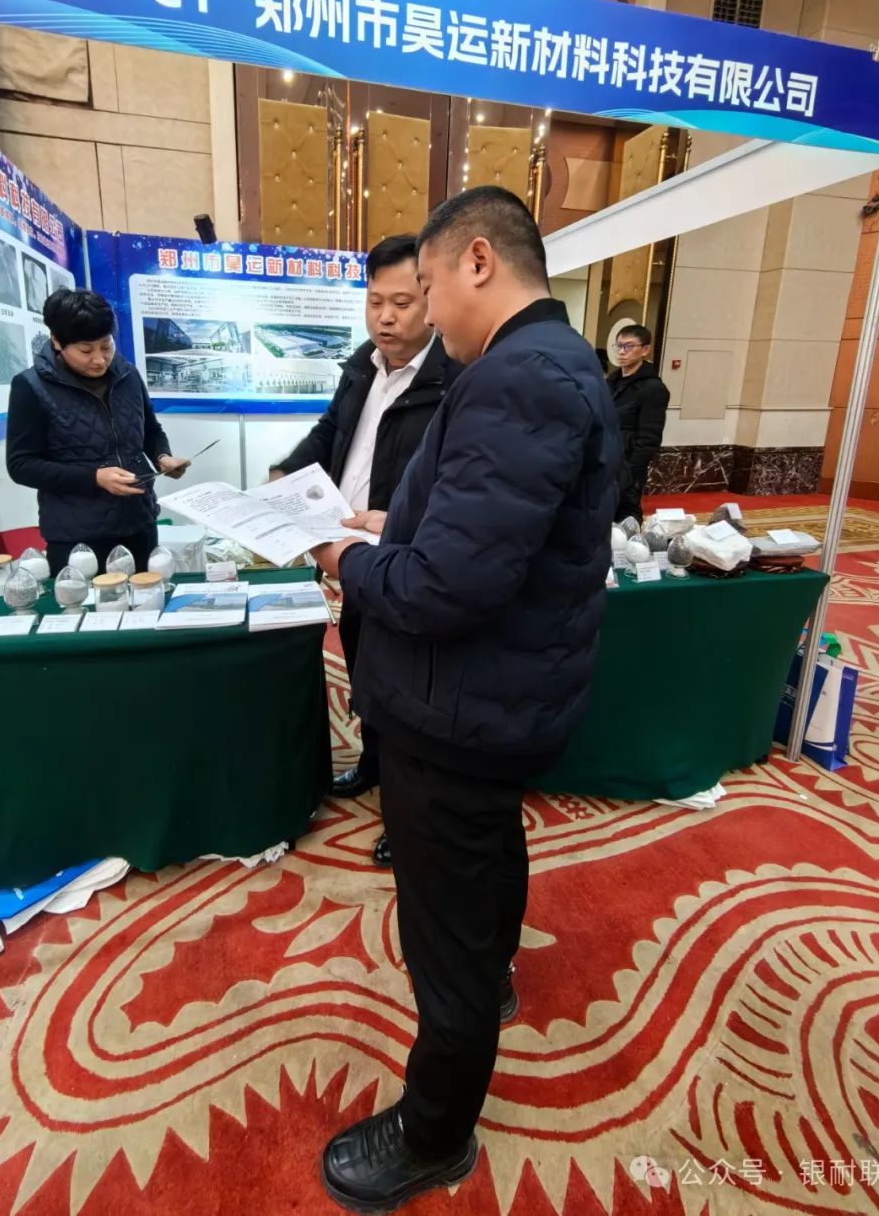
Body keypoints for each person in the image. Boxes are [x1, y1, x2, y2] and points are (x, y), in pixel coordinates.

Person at [311, 187, 621, 1214]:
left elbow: (448, 587)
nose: (428, 312)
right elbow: (491, 530)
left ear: (477, 260)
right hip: (492, 701)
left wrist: (344, 559)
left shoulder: (516, 376)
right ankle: (491, 981)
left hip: (459, 709)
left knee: (443, 926)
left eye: (431, 285)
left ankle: (434, 1132)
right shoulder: (547, 362)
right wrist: (392, 523)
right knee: (484, 867)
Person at [271, 234, 461, 866]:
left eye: (402, 303)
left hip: (405, 559)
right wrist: (286, 472)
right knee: (366, 676)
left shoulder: (452, 379)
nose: (386, 317)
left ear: (430, 299)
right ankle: (374, 765)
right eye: (375, 301)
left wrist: (400, 521)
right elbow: (332, 431)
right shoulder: (362, 365)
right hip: (352, 556)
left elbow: (456, 485)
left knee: (409, 693)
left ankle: (408, 819)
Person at [6, 288, 191, 576]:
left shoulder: (128, 374)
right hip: (78, 540)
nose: (99, 360)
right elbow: (21, 465)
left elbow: (150, 430)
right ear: (56, 341)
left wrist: (162, 457)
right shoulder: (31, 387)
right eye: (85, 350)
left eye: (106, 346)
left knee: (148, 599)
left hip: (139, 525)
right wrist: (94, 478)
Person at [607, 323, 670, 524]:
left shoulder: (653, 388)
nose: (622, 352)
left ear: (645, 349)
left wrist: (629, 471)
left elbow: (649, 439)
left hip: (628, 464)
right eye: (619, 346)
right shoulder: (611, 383)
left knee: (626, 515)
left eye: (629, 346)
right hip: (603, 460)